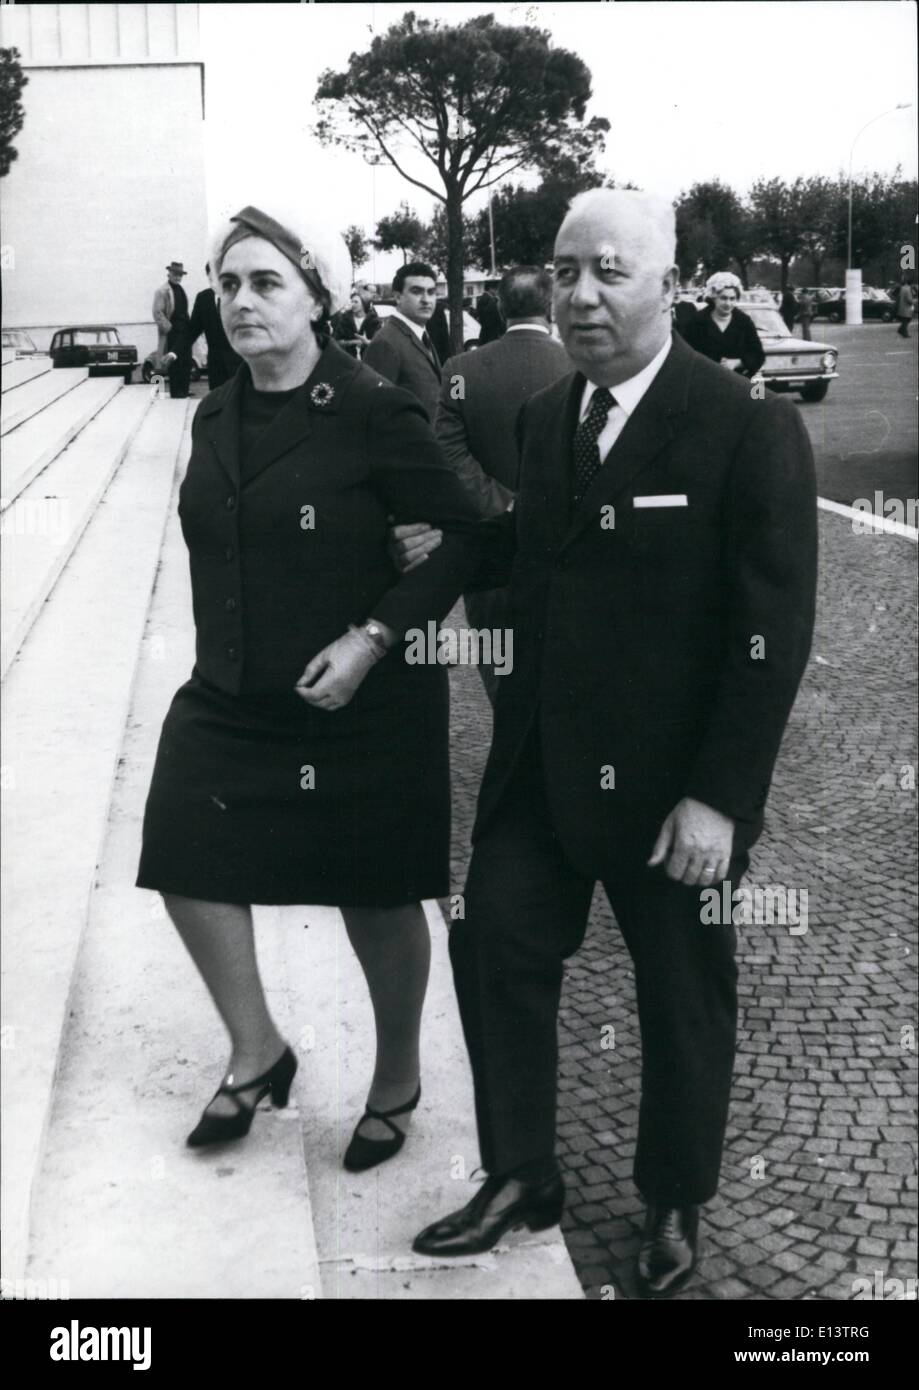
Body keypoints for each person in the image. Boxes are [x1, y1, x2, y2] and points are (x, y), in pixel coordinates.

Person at [397, 189, 817, 1297]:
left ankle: (673, 1201)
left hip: (673, 791)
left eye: (611, 271)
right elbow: (520, 556)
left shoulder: (742, 424)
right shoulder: (546, 419)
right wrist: (398, 588)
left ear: (667, 285)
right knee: (492, 951)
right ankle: (521, 1173)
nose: (582, 293)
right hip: (543, 766)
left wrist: (720, 798)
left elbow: (771, 631)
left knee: (682, 992)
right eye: (566, 268)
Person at [136, 200, 481, 1172]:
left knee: (372, 893)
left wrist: (375, 634)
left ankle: (397, 1075)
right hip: (236, 688)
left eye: (265, 282)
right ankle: (258, 1051)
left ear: (318, 296)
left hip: (363, 696)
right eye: (228, 284)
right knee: (184, 849)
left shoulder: (374, 405)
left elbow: (460, 537)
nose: (239, 301)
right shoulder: (213, 410)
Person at [433, 265, 569, 702]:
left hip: (492, 553)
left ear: (497, 305)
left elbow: (449, 455)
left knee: (502, 679)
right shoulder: (582, 366)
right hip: (566, 549)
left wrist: (504, 503)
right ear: (550, 305)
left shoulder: (459, 369)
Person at [363, 262, 442, 420]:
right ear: (398, 297)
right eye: (416, 291)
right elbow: (374, 413)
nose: (426, 300)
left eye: (431, 292)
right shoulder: (386, 342)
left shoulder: (421, 335)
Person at [684, 271, 766, 377]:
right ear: (713, 297)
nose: (728, 303)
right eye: (723, 298)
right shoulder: (697, 321)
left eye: (732, 299)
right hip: (704, 381)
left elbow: (758, 355)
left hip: (736, 383)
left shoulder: (744, 321)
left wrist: (739, 362)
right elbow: (687, 354)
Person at [188, 264, 243, 391]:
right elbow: (192, 330)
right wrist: (174, 352)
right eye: (211, 279)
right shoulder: (203, 298)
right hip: (216, 365)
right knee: (217, 405)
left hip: (238, 363)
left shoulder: (238, 296)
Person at [152, 260, 194, 399]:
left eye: (180, 275)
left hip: (184, 332)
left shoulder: (180, 289)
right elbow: (158, 313)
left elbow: (184, 311)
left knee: (186, 362)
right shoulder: (162, 291)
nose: (178, 277)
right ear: (169, 274)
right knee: (174, 364)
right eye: (175, 274)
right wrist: (169, 329)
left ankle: (184, 391)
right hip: (172, 333)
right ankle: (177, 393)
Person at [332, 287, 381, 358]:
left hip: (369, 360)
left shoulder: (374, 321)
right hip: (349, 360)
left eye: (356, 302)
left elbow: (380, 344)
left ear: (365, 302)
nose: (353, 304)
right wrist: (353, 342)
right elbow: (336, 342)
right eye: (352, 301)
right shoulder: (344, 319)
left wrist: (367, 342)